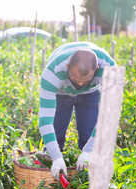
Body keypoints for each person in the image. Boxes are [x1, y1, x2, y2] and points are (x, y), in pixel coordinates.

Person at [38, 41, 116, 180]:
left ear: (97, 69)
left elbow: (107, 117)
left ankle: (85, 178)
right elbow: (45, 120)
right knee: (57, 134)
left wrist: (88, 151)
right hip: (62, 92)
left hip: (91, 93)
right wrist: (56, 157)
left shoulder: (109, 70)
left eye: (85, 81)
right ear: (67, 67)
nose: (80, 85)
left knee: (88, 137)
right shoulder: (53, 72)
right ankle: (53, 171)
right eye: (75, 79)